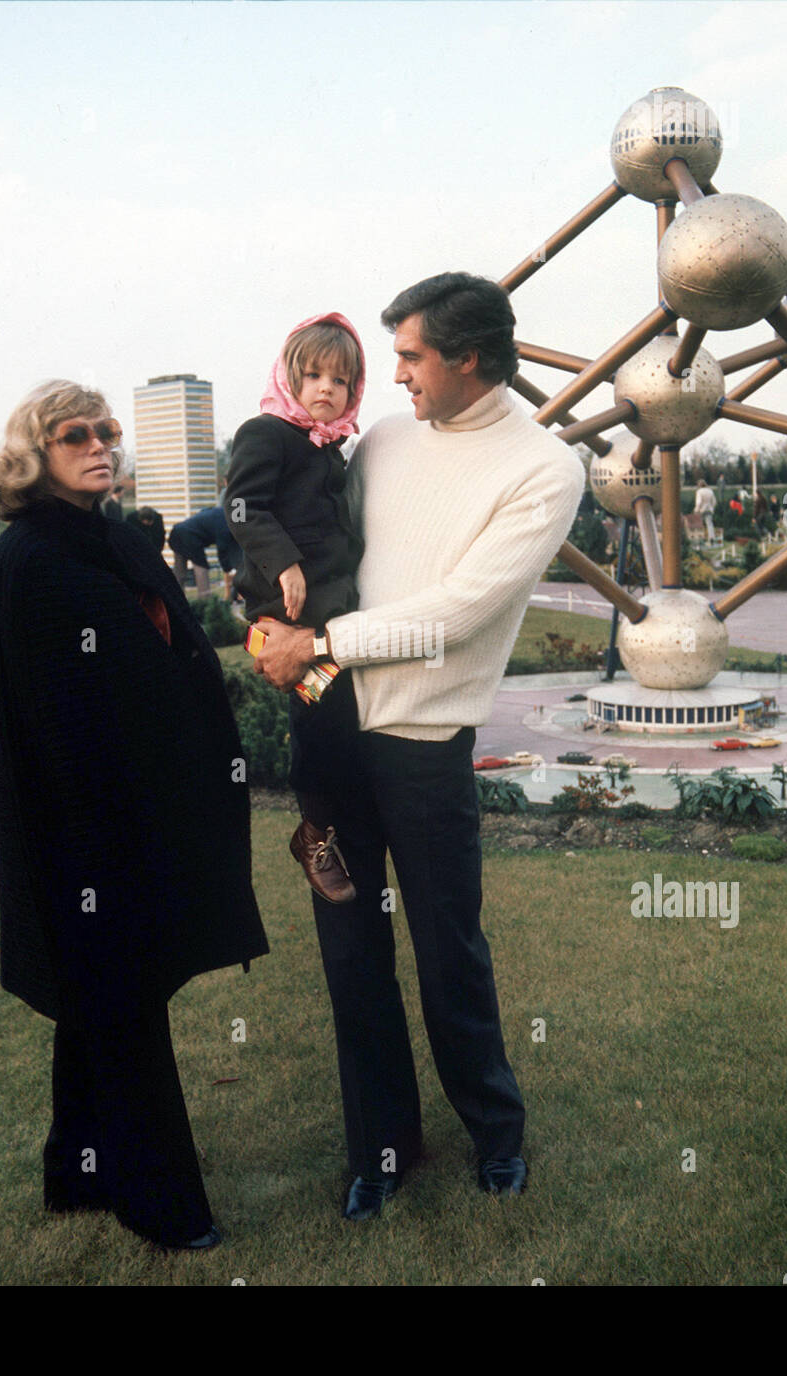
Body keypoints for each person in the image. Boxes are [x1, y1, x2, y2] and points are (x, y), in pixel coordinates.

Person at [254, 273, 583, 1220]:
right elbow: (324, 550)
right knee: (351, 954)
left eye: (407, 357)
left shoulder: (543, 469)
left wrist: (317, 643)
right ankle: (381, 1151)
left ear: (467, 358)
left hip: (424, 746)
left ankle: (496, 1133)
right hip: (330, 737)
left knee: (449, 954)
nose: (388, 378)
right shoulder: (386, 439)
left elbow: (458, 613)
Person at [0, 380, 268, 1252]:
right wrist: (101, 846)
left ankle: (79, 1171)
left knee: (101, 999)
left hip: (146, 811)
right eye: (76, 436)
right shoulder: (29, 560)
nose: (100, 445)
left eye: (107, 432)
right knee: (120, 999)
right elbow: (53, 723)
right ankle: (162, 1204)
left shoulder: (113, 538)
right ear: (35, 455)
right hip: (85, 829)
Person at [224, 312, 365, 905]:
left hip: (329, 611)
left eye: (340, 379)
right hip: (284, 610)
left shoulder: (334, 449)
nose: (325, 389)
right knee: (319, 713)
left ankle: (330, 818)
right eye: (312, 376)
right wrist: (283, 563)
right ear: (290, 379)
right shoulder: (266, 432)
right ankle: (313, 833)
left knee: (340, 715)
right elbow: (239, 506)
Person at [168, 502, 244, 600]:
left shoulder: (221, 511)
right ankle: (205, 601)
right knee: (201, 569)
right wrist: (228, 569)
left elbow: (204, 512)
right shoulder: (226, 524)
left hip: (177, 531)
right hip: (190, 537)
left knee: (180, 572)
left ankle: (175, 601)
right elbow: (222, 550)